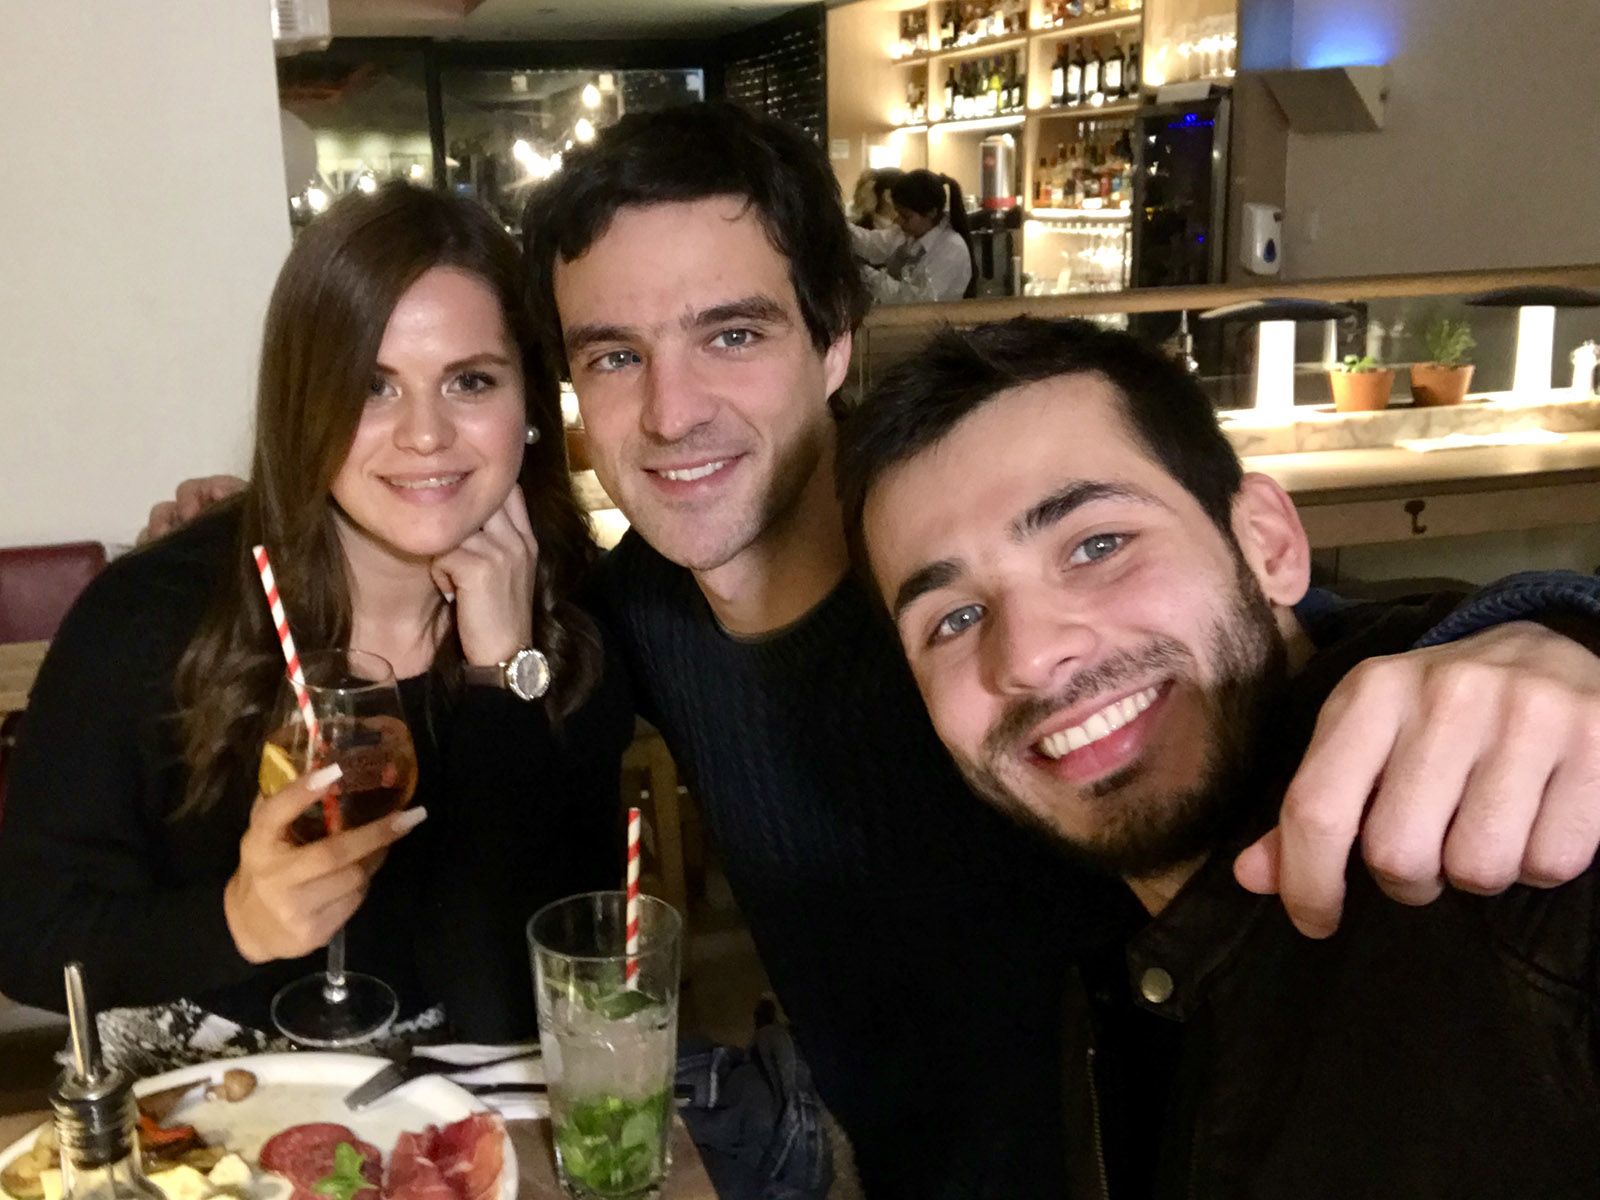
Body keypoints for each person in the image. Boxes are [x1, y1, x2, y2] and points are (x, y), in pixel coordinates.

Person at [146, 103, 1600, 1198]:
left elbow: (1294, 659)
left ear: (836, 340)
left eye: (732, 334)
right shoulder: (639, 607)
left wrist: (1542, 629)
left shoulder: (986, 587)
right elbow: (494, 771)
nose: (670, 413)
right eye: (614, 356)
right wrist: (259, 527)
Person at [836, 316, 1600, 1198]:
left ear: (1268, 546)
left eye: (1096, 545)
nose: (1030, 657)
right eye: (955, 620)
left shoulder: (1519, 862)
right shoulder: (1054, 907)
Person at [0, 184, 633, 1073]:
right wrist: (235, 923)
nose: (425, 435)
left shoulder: (577, 618)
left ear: (530, 402)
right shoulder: (153, 617)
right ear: (306, 406)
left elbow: (522, 996)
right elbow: (26, 936)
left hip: (476, 1096)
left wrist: (501, 674)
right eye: (372, 386)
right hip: (205, 1097)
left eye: (471, 380)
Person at [850, 168, 975, 303]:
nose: (898, 221)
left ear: (931, 213)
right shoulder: (908, 235)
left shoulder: (951, 249)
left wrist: (866, 274)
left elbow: (914, 300)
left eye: (906, 216)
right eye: (898, 213)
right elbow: (870, 243)